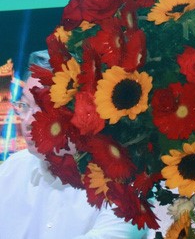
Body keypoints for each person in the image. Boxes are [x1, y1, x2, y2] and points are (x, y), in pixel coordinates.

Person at [0, 55, 148, 239]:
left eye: (43, 109)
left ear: (83, 111)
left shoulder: (125, 185)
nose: (28, 121)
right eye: (24, 105)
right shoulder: (11, 170)